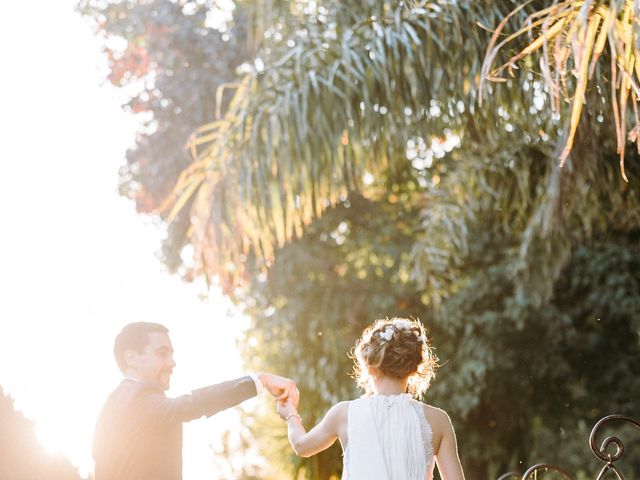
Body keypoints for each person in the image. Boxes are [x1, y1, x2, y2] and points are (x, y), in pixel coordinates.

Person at [93, 321, 297, 480]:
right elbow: (190, 405)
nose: (172, 363)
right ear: (132, 359)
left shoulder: (116, 404)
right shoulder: (134, 397)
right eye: (162, 354)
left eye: (171, 354)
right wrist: (259, 381)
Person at [277, 317, 465, 480]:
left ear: (370, 367)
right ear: (413, 368)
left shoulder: (345, 414)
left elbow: (302, 446)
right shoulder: (438, 421)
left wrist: (290, 413)